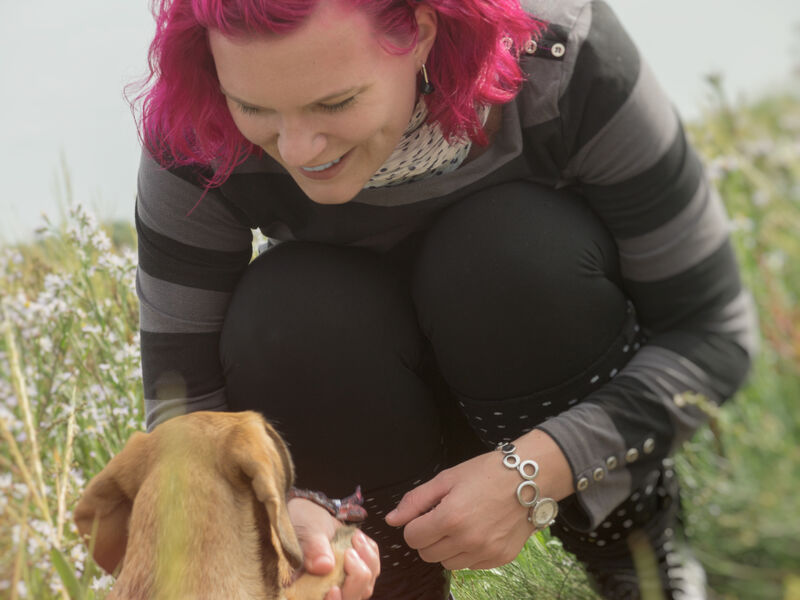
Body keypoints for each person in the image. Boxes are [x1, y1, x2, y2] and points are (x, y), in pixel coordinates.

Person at [132, 0, 758, 598]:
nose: (296, 148)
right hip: (358, 407)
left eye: (335, 102)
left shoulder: (565, 57)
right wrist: (280, 507)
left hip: (547, 366)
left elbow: (714, 334)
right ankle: (385, 588)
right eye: (253, 107)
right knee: (289, 310)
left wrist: (539, 468)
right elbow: (185, 416)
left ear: (422, 33)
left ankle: (635, 556)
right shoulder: (193, 125)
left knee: (508, 248)